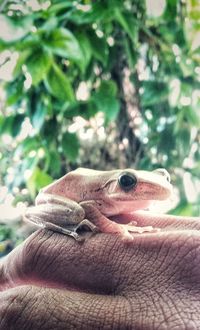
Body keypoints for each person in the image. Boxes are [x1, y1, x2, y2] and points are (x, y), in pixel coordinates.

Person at [0, 213, 200, 329]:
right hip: (68, 208)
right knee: (78, 213)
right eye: (128, 182)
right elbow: (88, 208)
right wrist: (115, 227)